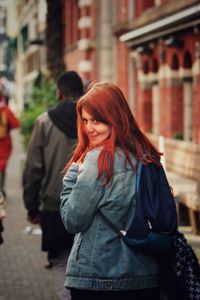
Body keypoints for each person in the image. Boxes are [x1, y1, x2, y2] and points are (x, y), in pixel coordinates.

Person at [60, 82, 163, 300]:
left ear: (115, 116)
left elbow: (72, 220)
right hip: (147, 276)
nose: (89, 128)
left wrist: (72, 174)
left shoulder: (98, 159)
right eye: (85, 120)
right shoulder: (146, 156)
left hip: (100, 277)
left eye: (96, 120)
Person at [22, 71, 84, 300]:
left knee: (59, 260)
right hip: (90, 205)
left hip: (53, 205)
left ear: (59, 93)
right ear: (82, 92)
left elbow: (33, 169)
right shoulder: (93, 120)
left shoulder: (44, 122)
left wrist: (31, 207)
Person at [0, 83, 20, 244]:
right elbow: (16, 124)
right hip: (4, 144)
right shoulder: (5, 110)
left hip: (4, 145)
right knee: (2, 168)